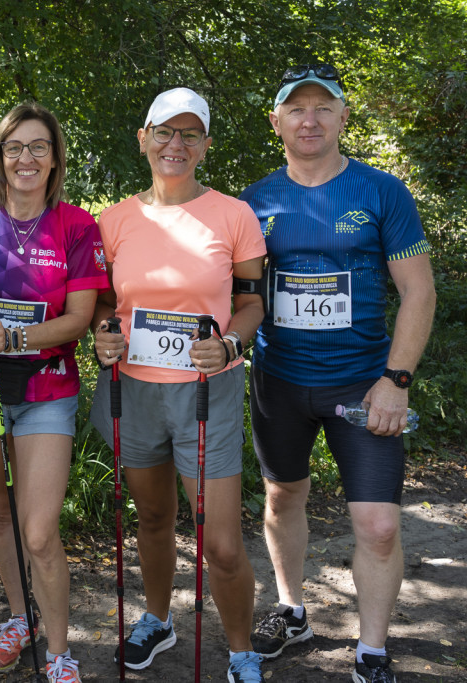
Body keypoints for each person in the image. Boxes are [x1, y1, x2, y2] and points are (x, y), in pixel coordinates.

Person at [240, 64, 435, 683]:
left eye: (324, 107)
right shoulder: (253, 200)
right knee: (282, 497)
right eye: (296, 109)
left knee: (378, 525)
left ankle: (372, 650)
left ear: (344, 117)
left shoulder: (383, 193)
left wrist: (396, 380)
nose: (310, 119)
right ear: (276, 123)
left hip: (365, 384)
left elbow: (419, 291)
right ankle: (293, 609)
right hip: (279, 379)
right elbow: (237, 293)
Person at [90, 88, 267, 682]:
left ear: (206, 145)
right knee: (154, 519)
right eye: (165, 131)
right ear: (143, 138)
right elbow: (102, 308)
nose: (176, 144)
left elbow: (250, 302)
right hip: (136, 390)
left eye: (190, 134)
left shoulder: (233, 215)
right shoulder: (112, 221)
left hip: (207, 389)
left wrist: (231, 344)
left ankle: (241, 650)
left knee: (218, 542)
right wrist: (102, 335)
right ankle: (158, 620)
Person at [0, 102, 107, 683]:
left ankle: (59, 653)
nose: (25, 158)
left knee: (38, 527)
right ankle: (17, 617)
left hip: (47, 388)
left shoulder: (77, 226)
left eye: (38, 147)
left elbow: (80, 318)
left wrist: (12, 336)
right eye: (14, 147)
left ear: (55, 158)